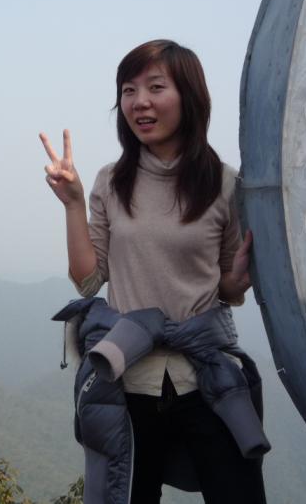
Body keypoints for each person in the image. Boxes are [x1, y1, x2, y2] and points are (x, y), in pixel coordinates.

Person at [39, 39, 266, 503]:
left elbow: (225, 286)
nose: (139, 102)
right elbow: (88, 280)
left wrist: (238, 279)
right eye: (128, 90)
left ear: (189, 96)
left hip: (204, 381)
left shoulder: (224, 184)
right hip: (128, 384)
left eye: (155, 87)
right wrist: (74, 203)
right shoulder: (110, 181)